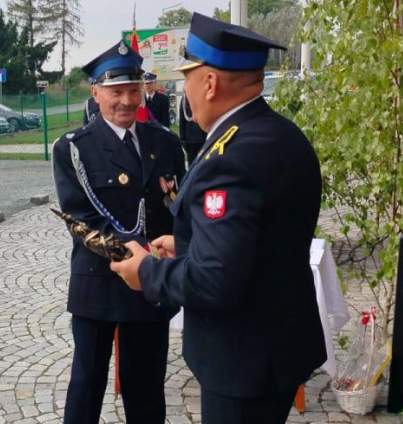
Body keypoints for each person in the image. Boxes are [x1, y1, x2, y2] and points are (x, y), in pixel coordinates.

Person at [111, 13, 326, 424]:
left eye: (187, 77)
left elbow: (215, 279)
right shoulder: (282, 134)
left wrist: (147, 273)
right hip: (279, 344)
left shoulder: (230, 158)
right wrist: (189, 244)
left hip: (242, 359)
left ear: (209, 83)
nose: (186, 90)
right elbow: (265, 236)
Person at [52, 40, 186, 424]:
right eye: (116, 92)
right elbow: (81, 220)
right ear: (96, 93)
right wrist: (136, 256)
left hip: (150, 283)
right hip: (98, 281)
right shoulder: (74, 149)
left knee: (146, 385)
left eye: (133, 90)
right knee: (87, 383)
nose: (127, 101)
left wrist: (170, 258)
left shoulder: (165, 143)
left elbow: (177, 208)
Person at [179, 94, 207, 162]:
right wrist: (182, 138)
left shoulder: (204, 97)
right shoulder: (184, 100)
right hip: (190, 138)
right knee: (192, 163)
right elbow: (182, 120)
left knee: (203, 162)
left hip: (203, 137)